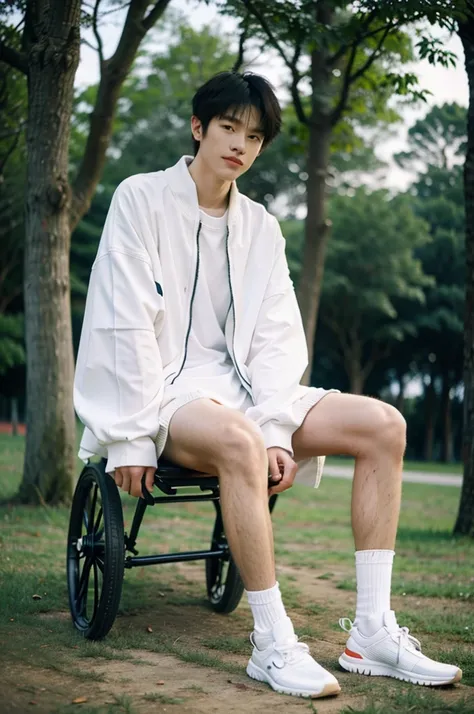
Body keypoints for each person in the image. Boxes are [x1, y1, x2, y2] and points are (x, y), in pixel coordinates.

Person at [74, 70, 461, 699]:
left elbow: (280, 338)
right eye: (228, 127)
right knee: (237, 438)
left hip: (253, 393)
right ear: (199, 128)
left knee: (385, 424)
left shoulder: (262, 227)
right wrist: (130, 439)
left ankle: (372, 631)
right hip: (170, 395)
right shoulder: (139, 199)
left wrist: (276, 424)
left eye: (254, 136)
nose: (239, 144)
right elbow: (122, 324)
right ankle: (272, 642)